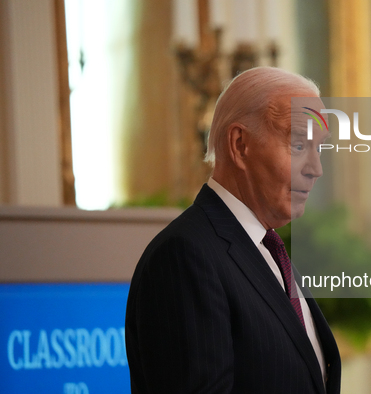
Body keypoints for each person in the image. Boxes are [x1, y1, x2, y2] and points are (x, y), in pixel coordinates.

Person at [125, 67, 341, 393]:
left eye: (319, 148)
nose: (316, 169)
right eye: (299, 146)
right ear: (240, 145)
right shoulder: (185, 257)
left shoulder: (268, 249)